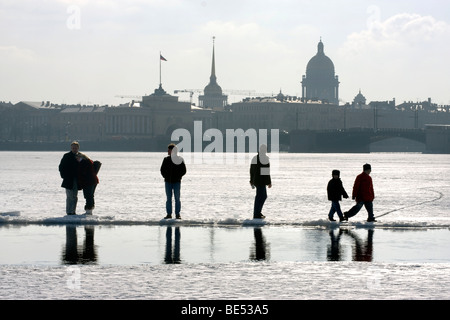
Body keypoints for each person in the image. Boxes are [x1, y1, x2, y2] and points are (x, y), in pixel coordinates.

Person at [160, 144, 186, 219]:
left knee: (177, 198)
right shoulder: (166, 159)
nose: (167, 151)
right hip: (168, 182)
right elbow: (162, 170)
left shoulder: (180, 159)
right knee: (168, 198)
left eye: (169, 150)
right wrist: (165, 176)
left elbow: (184, 170)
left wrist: (178, 176)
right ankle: (169, 214)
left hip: (176, 182)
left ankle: (177, 214)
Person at [250, 144, 272, 219]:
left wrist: (251, 180)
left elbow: (251, 170)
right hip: (261, 180)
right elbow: (266, 172)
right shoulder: (264, 158)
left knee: (262, 196)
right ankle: (256, 214)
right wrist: (269, 182)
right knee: (261, 196)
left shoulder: (255, 158)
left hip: (256, 180)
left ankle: (257, 212)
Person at [59, 141, 80, 215]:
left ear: (78, 148)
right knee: (69, 196)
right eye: (73, 148)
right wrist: (64, 176)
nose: (74, 149)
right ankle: (69, 211)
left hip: (76, 179)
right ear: (71, 148)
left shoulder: (80, 156)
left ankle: (73, 211)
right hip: (68, 179)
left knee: (75, 196)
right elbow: (61, 167)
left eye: (76, 148)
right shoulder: (66, 156)